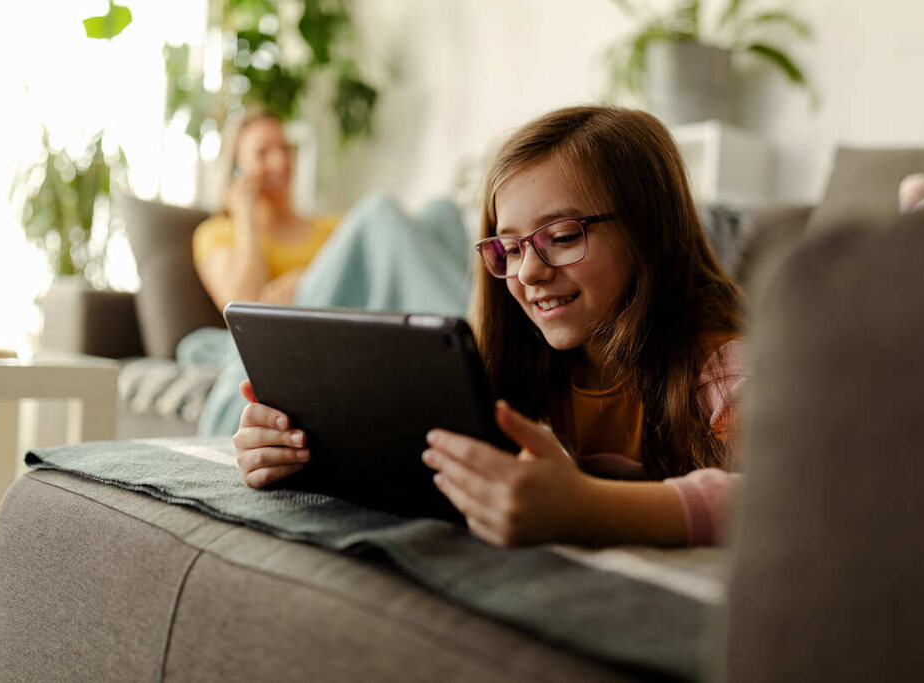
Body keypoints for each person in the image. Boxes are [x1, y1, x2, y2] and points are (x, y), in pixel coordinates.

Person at [232, 106, 747, 547]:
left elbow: (783, 499)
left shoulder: (723, 370)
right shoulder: (519, 363)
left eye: (564, 237)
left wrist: (588, 508)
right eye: (512, 248)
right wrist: (293, 446)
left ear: (650, 232)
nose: (528, 272)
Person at [193, 109, 341, 311]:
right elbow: (244, 307)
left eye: (285, 149)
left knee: (377, 213)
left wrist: (305, 279)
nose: (280, 162)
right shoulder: (216, 234)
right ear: (236, 169)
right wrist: (245, 218)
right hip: (289, 335)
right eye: (262, 153)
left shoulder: (334, 228)